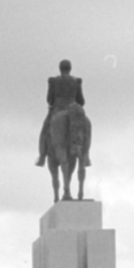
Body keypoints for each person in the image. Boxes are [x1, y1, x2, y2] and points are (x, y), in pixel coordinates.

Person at [38, 59, 92, 201]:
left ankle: (42, 156)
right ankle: (86, 155)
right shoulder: (76, 81)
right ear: (70, 68)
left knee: (44, 130)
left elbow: (49, 100)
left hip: (58, 110)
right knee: (86, 124)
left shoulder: (53, 81)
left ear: (60, 68)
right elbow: (81, 101)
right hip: (75, 111)